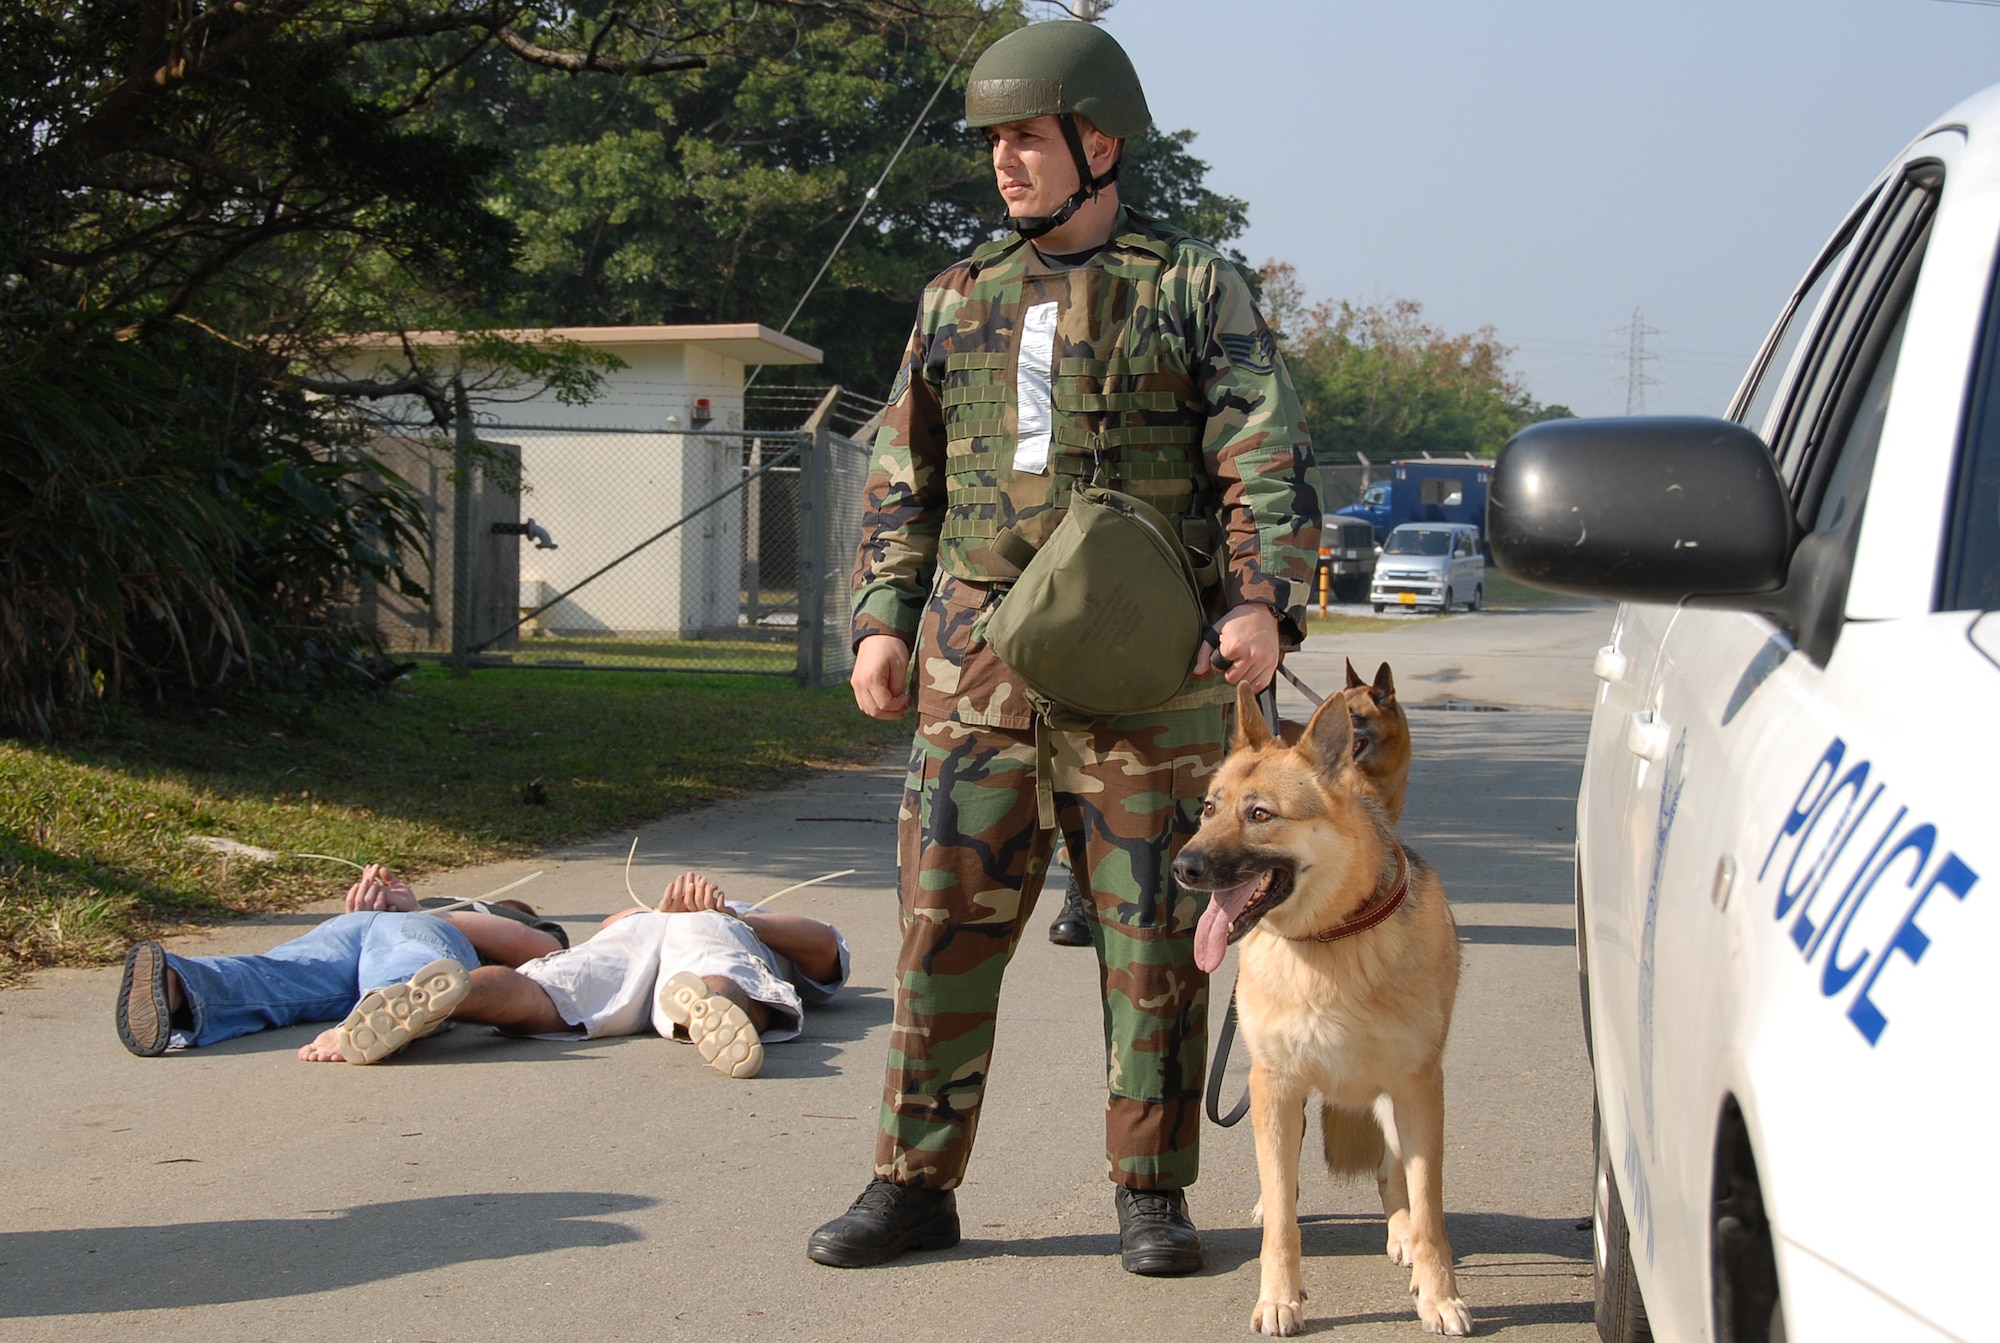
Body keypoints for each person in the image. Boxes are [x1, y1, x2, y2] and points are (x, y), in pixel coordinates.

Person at [809, 20, 1320, 1276]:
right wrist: (880, 618)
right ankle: (911, 1183)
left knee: (1152, 938)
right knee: (943, 934)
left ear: (1097, 142)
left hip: (1149, 682)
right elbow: (901, 475)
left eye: (1026, 137)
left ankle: (1149, 1189)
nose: (1003, 161)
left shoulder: (1192, 289)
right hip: (974, 681)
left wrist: (1259, 600)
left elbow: (1259, 451)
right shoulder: (955, 297)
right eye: (992, 140)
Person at [295, 873, 850, 1079]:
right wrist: (674, 914)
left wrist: (732, 913)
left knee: (545, 988)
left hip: (677, 931)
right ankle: (709, 1005)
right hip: (642, 934)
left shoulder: (742, 918)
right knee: (710, 967)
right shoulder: (670, 918)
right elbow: (612, 925)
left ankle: (462, 994)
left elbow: (822, 944)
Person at [114, 864, 565, 1060]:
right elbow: (538, 952)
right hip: (401, 929)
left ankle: (184, 986)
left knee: (285, 973)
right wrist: (413, 911)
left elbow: (536, 946)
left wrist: (406, 910)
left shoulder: (490, 915)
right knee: (410, 970)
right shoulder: (469, 910)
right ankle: (381, 1013)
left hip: (363, 932)